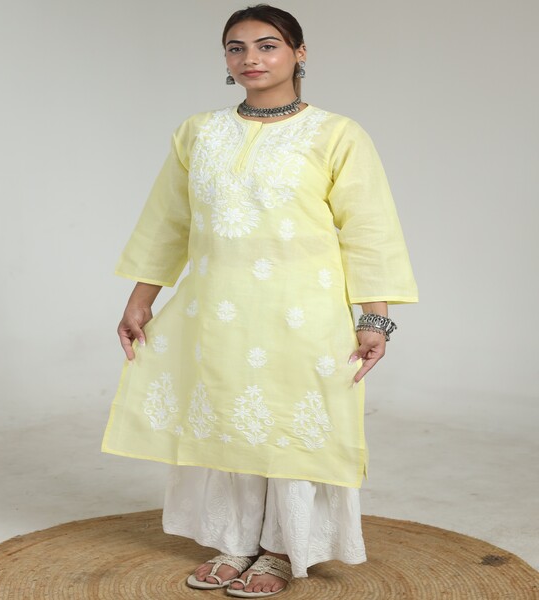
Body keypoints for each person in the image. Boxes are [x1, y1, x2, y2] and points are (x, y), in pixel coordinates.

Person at [101, 3, 418, 597]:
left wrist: (375, 318)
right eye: (236, 47)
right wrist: (140, 299)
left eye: (267, 45)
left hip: (304, 312)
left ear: (299, 53)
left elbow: (369, 230)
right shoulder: (199, 132)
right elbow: (167, 223)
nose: (251, 58)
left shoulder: (336, 134)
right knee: (230, 419)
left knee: (290, 426)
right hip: (218, 312)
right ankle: (234, 540)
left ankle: (281, 549)